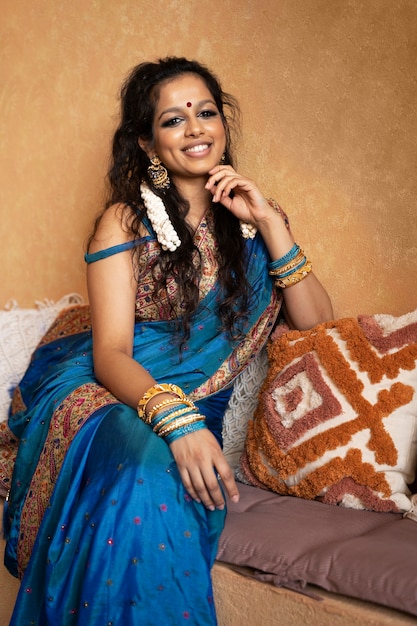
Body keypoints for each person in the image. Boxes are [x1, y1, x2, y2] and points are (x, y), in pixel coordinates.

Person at [4, 56, 333, 625]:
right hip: (116, 394)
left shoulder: (255, 218)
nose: (196, 128)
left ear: (223, 125)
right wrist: (175, 421)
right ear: (148, 142)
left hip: (194, 402)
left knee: (162, 479)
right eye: (173, 120)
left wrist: (273, 227)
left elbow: (316, 324)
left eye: (205, 112)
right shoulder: (125, 222)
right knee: (146, 473)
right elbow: (110, 354)